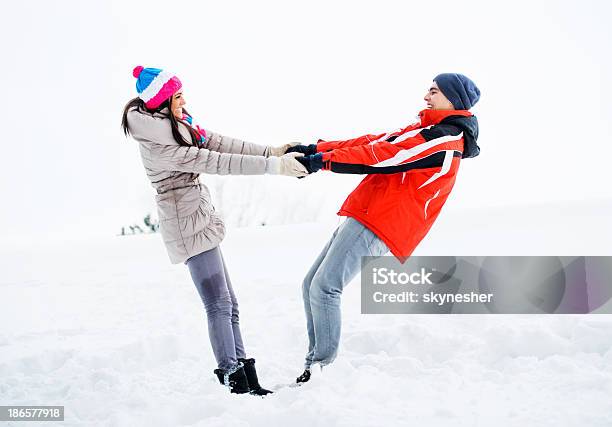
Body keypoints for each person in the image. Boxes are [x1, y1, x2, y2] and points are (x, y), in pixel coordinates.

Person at [121, 65, 307, 395]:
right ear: (162, 102)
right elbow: (214, 161)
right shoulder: (159, 143)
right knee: (218, 304)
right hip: (184, 218)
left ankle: (244, 375)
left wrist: (270, 151)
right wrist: (274, 168)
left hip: (196, 213)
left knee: (229, 304)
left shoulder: (177, 124)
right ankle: (232, 377)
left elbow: (217, 142)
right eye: (178, 96)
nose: (184, 101)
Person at [289, 73, 481, 383]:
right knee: (311, 284)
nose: (426, 97)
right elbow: (371, 142)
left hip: (381, 221)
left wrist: (320, 161)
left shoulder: (444, 140)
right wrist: (316, 148)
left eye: (434, 91)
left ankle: (321, 369)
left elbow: (383, 156)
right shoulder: (426, 130)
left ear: (452, 98)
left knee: (325, 287)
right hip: (368, 212)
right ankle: (315, 364)